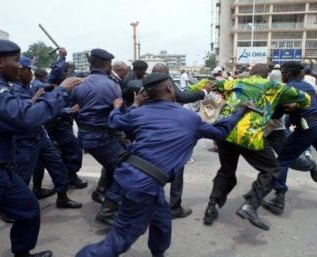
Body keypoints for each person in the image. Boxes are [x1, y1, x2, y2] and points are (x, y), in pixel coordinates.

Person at [75, 72, 249, 257]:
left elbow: (115, 122)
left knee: (162, 222)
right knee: (118, 241)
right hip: (142, 185)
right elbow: (220, 132)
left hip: (133, 176)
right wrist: (240, 111)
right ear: (168, 88)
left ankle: (158, 253)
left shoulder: (138, 113)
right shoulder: (189, 118)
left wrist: (120, 107)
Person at [0, 39, 82, 257]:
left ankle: (22, 253)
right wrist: (61, 91)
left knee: (29, 211)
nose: (21, 66)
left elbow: (16, 111)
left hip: (0, 169)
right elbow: (24, 118)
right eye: (16, 61)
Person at [203, 63, 311, 231]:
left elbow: (210, 86)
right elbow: (305, 99)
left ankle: (211, 207)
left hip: (225, 132)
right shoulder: (275, 87)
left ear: (251, 73)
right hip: (248, 135)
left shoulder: (235, 82)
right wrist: (295, 105)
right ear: (267, 74)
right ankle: (250, 206)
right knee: (272, 170)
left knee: (226, 170)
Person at [11, 56, 82, 208]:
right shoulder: (14, 90)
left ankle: (62, 197)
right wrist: (68, 109)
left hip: (40, 135)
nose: (31, 73)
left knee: (57, 165)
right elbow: (33, 113)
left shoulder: (28, 87)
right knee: (22, 174)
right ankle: (11, 207)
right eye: (29, 69)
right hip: (25, 138)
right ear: (19, 71)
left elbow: (53, 79)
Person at [152, 63, 212, 219]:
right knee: (177, 169)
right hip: (171, 131)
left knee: (152, 168)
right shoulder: (167, 84)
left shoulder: (145, 85)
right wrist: (204, 91)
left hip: (152, 134)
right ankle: (174, 208)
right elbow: (184, 97)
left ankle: (153, 203)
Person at [73, 48, 125, 225]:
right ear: (104, 64)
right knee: (124, 167)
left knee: (112, 164)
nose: (111, 66)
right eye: (110, 63)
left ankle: (101, 192)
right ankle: (108, 210)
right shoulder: (112, 85)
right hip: (102, 137)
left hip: (86, 136)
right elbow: (118, 115)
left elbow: (72, 108)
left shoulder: (80, 83)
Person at [262, 61, 317, 215]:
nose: (282, 75)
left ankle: (279, 199)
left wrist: (258, 109)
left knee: (283, 161)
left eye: (283, 72)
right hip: (313, 124)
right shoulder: (308, 85)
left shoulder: (286, 90)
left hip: (307, 129)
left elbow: (276, 114)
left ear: (287, 73)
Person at [34, 47, 87, 190]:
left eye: (68, 70)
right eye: (64, 70)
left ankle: (70, 176)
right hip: (53, 123)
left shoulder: (71, 80)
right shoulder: (50, 83)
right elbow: (52, 107)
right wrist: (62, 57)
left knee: (73, 150)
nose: (67, 72)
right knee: (57, 154)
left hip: (65, 123)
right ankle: (63, 181)